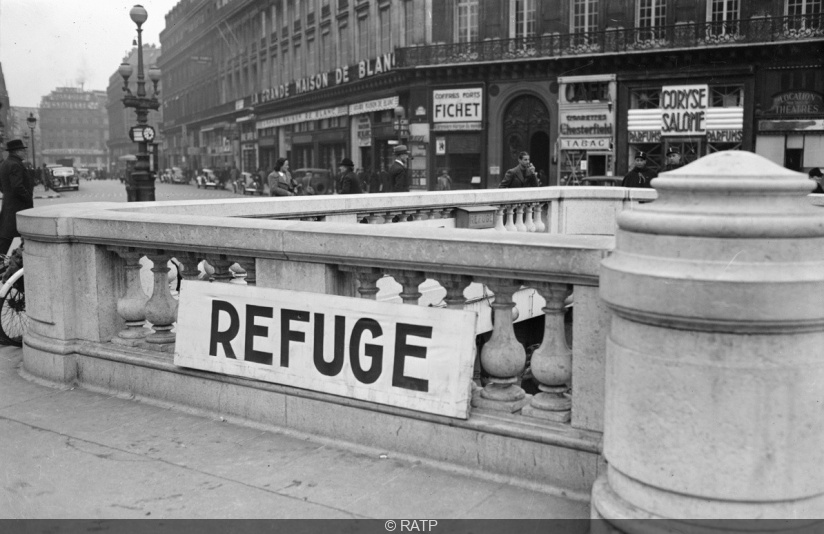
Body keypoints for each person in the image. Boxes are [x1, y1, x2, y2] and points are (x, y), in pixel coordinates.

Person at [0, 139, 34, 255]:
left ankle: (11, 261)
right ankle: (21, 260)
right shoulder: (16, 165)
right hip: (18, 206)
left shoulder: (5, 163)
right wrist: (28, 198)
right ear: (16, 151)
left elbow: (2, 186)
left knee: (7, 237)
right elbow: (17, 187)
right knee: (26, 235)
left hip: (9, 204)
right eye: (22, 151)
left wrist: (7, 194)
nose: (24, 153)